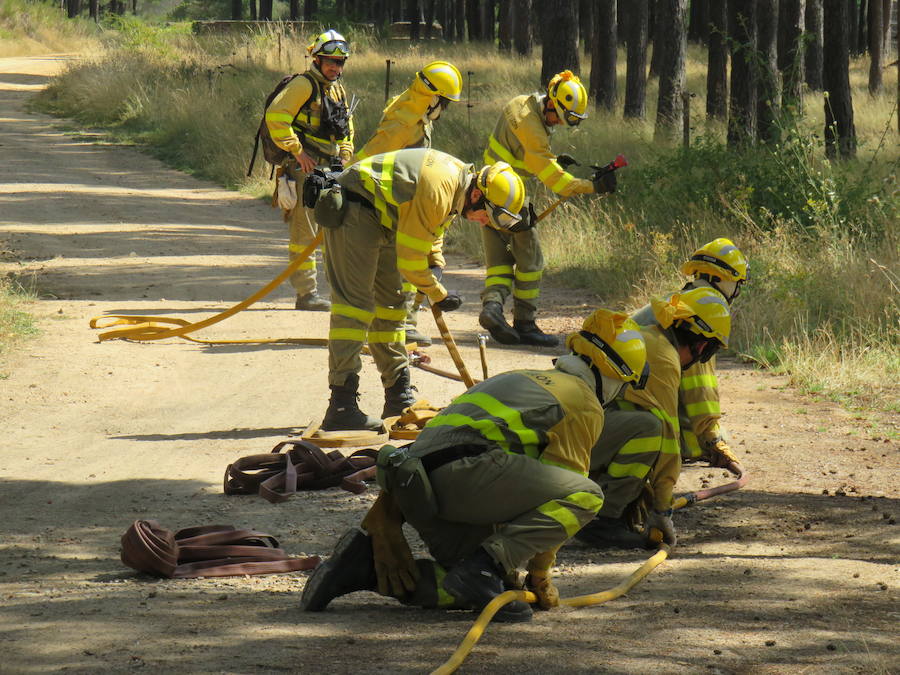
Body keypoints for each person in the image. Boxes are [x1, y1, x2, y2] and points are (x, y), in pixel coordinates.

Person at [301, 309, 649, 622]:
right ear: (615, 375)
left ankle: (361, 571)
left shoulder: (523, 377)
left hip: (415, 484)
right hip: (465, 475)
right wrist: (540, 576)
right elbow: (569, 487)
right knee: (587, 496)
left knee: (483, 587)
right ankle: (484, 567)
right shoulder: (584, 401)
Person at [315, 148, 527, 432]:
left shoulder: (459, 185)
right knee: (354, 308)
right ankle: (341, 405)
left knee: (392, 308)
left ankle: (398, 397)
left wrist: (435, 262)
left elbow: (433, 228)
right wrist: (439, 293)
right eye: (488, 216)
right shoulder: (440, 186)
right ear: (477, 195)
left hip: (385, 218)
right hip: (356, 207)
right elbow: (410, 262)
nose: (485, 222)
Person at [579, 287, 732, 549]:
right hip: (577, 442)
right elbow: (669, 439)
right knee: (651, 429)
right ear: (701, 345)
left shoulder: (649, 336)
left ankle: (598, 504)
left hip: (576, 435)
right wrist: (662, 510)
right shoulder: (664, 357)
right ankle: (603, 520)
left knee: (642, 425)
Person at [479, 70, 618, 348]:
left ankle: (492, 307)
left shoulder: (521, 104)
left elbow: (522, 154)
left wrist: (550, 160)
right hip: (509, 197)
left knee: (500, 262)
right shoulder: (533, 127)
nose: (558, 123)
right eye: (559, 117)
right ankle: (525, 324)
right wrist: (593, 186)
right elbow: (556, 181)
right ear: (552, 102)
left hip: (485, 192)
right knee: (531, 261)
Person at [353, 61, 464, 347]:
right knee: (404, 263)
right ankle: (398, 326)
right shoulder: (404, 123)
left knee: (414, 261)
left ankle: (404, 324)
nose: (444, 110)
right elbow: (369, 158)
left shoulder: (417, 118)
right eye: (444, 102)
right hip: (389, 206)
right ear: (433, 97)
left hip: (404, 203)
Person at [631, 238, 749, 467]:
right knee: (712, 435)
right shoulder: (703, 317)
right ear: (724, 279)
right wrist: (713, 439)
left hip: (625, 399)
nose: (737, 291)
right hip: (641, 410)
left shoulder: (680, 301)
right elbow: (699, 390)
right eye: (737, 284)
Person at [265, 29, 355, 312]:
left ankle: (339, 291)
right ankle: (306, 294)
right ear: (317, 59)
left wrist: (346, 152)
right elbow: (276, 117)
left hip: (331, 169)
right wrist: (297, 151)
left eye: (340, 63)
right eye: (330, 61)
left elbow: (345, 126)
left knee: (333, 230)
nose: (335, 67)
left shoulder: (336, 88)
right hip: (307, 168)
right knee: (305, 233)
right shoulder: (304, 85)